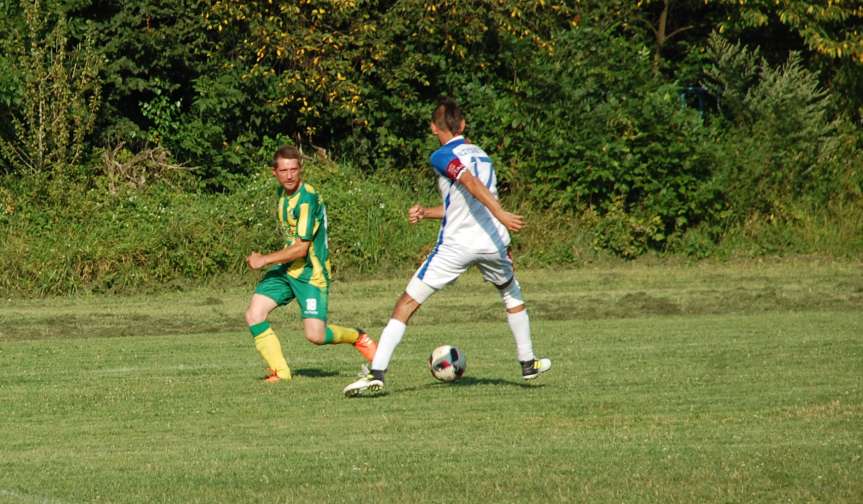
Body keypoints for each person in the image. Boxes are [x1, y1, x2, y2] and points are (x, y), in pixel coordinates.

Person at [343, 97, 550, 397]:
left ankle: (377, 373)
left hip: (457, 246)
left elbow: (468, 184)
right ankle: (527, 363)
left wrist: (501, 213)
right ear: (463, 125)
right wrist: (428, 212)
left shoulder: (442, 155)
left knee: (407, 303)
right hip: (493, 242)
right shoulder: (482, 154)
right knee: (510, 293)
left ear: (433, 127)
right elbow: (464, 202)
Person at [245, 145, 377, 382]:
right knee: (255, 314)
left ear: (301, 169)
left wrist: (264, 259)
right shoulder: (282, 194)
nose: (289, 175)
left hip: (310, 273)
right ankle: (281, 373)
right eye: (283, 170)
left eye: (294, 169)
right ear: (274, 172)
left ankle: (358, 337)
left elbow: (301, 248)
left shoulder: (307, 199)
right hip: (287, 269)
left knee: (315, 336)